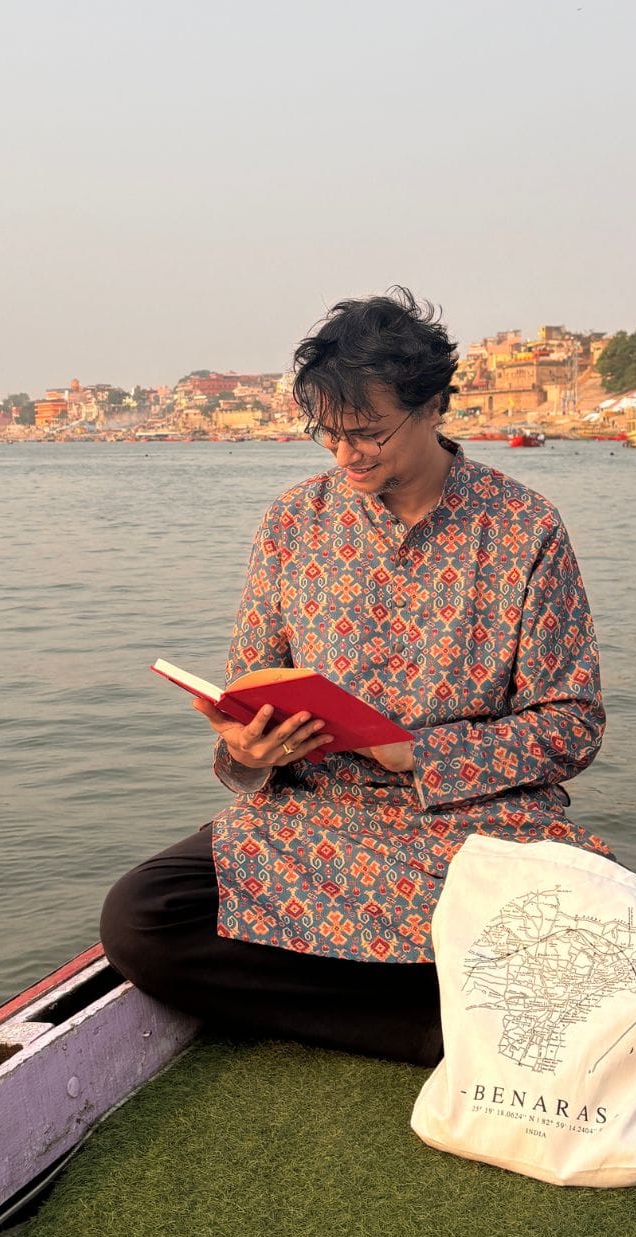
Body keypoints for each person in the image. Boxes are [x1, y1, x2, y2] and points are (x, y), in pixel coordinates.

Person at [100, 288, 607, 1066]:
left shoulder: (523, 528)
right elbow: (250, 690)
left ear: (433, 404)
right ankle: (437, 1024)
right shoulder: (291, 523)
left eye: (368, 432)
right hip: (316, 820)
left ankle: (430, 999)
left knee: (587, 927)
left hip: (476, 823)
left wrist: (420, 754)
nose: (347, 456)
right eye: (329, 435)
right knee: (142, 919)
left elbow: (572, 722)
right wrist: (248, 750)